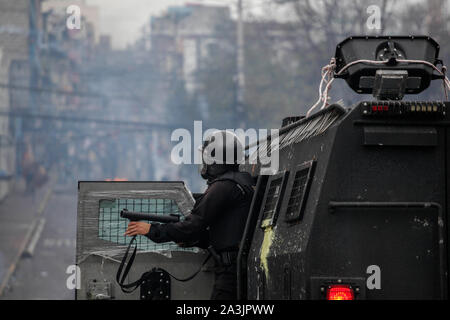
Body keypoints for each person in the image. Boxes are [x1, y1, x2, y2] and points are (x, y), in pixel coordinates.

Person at [124, 130, 254, 300]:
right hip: (236, 266)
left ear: (215, 160)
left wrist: (151, 230)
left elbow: (193, 225)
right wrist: (194, 239)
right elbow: (224, 232)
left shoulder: (223, 187)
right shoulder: (238, 183)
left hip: (230, 270)